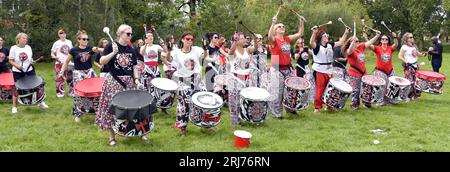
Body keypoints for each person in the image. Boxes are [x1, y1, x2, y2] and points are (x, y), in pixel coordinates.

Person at [95, 24, 145, 146]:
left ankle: (138, 132)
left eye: (131, 34)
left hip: (129, 82)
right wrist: (113, 53)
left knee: (133, 108)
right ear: (120, 34)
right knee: (112, 109)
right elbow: (101, 61)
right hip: (113, 82)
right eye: (128, 34)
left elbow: (134, 67)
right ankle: (112, 137)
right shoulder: (110, 46)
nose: (130, 36)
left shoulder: (131, 49)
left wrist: (137, 80)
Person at [170, 32, 214, 136]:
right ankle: (182, 128)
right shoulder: (176, 52)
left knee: (204, 102)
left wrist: (205, 48)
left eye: (191, 39)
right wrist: (167, 51)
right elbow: (168, 60)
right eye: (187, 39)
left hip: (197, 79)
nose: (189, 41)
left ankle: (206, 125)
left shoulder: (197, 49)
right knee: (184, 105)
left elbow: (205, 57)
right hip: (183, 80)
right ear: (182, 39)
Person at [267, 6, 305, 118]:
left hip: (287, 67)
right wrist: (273, 23)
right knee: (277, 92)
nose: (282, 27)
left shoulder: (287, 39)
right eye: (279, 27)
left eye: (283, 26)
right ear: (276, 30)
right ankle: (277, 113)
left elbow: (300, 34)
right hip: (276, 66)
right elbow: (269, 36)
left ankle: (290, 109)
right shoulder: (274, 40)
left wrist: (301, 22)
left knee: (290, 90)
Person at [60, 30, 102, 122]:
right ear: (79, 40)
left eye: (87, 39)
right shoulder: (74, 50)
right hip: (79, 73)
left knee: (95, 92)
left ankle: (96, 113)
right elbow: (66, 61)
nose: (86, 41)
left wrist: (111, 49)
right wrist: (62, 71)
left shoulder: (90, 48)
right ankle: (78, 113)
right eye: (84, 39)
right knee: (78, 94)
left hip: (90, 72)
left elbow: (100, 49)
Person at [310, 27, 350, 113]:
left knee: (330, 89)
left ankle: (329, 105)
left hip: (329, 70)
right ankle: (317, 108)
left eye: (327, 35)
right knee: (320, 89)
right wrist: (314, 33)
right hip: (319, 70)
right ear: (320, 38)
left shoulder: (329, 44)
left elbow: (340, 42)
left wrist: (346, 32)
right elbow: (311, 42)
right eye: (324, 36)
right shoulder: (317, 46)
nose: (326, 37)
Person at [9, 33, 49, 114]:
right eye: (23, 38)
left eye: (26, 38)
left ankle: (40, 102)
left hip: (29, 70)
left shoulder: (28, 47)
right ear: (18, 39)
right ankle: (14, 107)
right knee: (17, 89)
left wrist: (32, 61)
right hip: (18, 72)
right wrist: (17, 66)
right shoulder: (13, 48)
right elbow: (10, 60)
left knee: (36, 87)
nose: (25, 40)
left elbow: (30, 58)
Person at [343, 30, 381, 109]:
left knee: (367, 89)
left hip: (363, 72)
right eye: (355, 41)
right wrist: (352, 43)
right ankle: (354, 105)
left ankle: (367, 103)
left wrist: (377, 36)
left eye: (357, 41)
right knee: (356, 90)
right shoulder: (349, 51)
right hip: (354, 73)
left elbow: (370, 42)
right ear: (350, 43)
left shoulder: (361, 47)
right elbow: (349, 50)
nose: (357, 42)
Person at [364, 32, 399, 105]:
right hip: (380, 71)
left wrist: (395, 37)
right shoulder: (377, 48)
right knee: (382, 86)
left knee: (392, 85)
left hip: (390, 71)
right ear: (380, 40)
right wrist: (365, 38)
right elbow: (369, 45)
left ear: (388, 41)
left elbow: (396, 45)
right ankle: (380, 100)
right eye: (383, 39)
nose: (384, 40)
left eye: (386, 39)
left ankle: (391, 100)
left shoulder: (390, 48)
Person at [228, 32, 254, 125]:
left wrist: (256, 39)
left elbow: (255, 47)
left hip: (246, 78)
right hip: (235, 78)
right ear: (237, 40)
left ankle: (243, 117)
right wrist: (234, 43)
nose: (244, 40)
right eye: (242, 38)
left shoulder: (247, 50)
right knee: (234, 101)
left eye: (244, 38)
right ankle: (234, 122)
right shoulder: (233, 51)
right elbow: (230, 52)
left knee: (244, 100)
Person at [398, 32, 426, 101]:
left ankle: (413, 96)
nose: (412, 38)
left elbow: (419, 54)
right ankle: (404, 96)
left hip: (416, 66)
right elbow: (399, 56)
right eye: (410, 37)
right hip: (409, 67)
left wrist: (425, 53)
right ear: (406, 39)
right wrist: (406, 62)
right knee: (408, 81)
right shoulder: (404, 47)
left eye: (412, 37)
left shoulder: (414, 46)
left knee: (416, 82)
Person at [51, 29, 74, 98]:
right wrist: (54, 56)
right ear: (58, 35)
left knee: (70, 78)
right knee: (59, 78)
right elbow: (52, 53)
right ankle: (60, 93)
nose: (62, 35)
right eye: (61, 33)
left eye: (64, 33)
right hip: (59, 63)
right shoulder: (56, 43)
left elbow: (72, 52)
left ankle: (72, 92)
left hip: (69, 63)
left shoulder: (69, 42)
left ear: (66, 34)